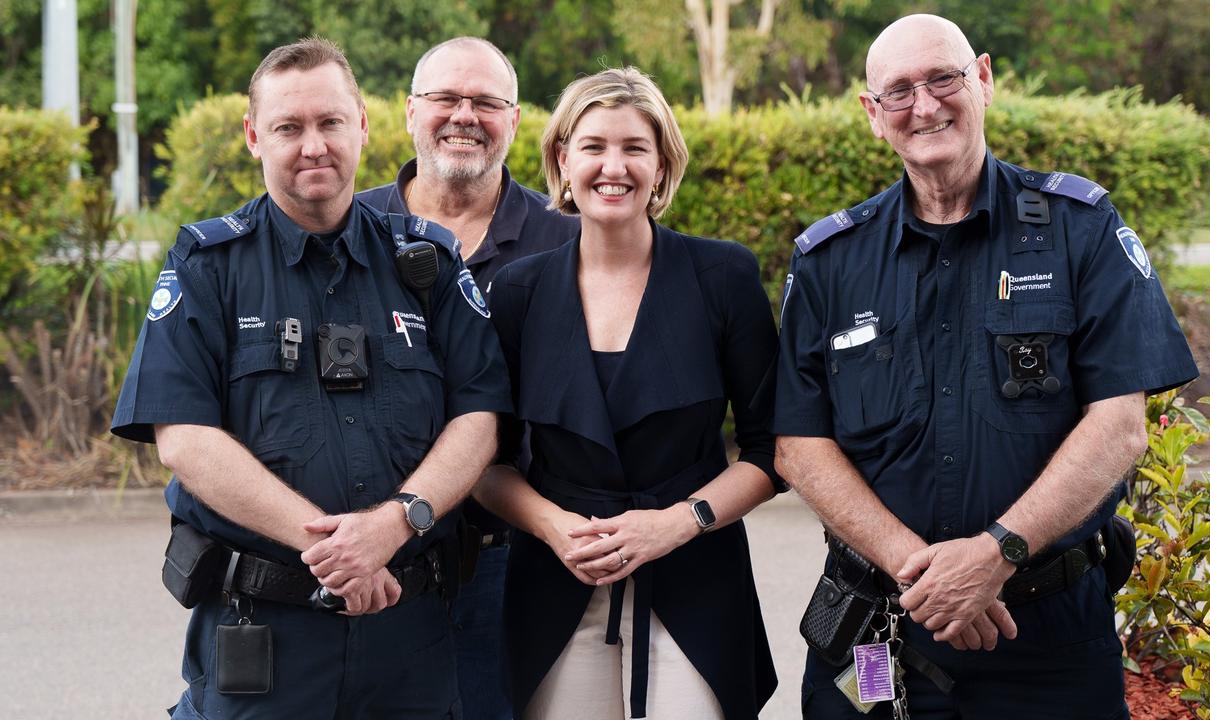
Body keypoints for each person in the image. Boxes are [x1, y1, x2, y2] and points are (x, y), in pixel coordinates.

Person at [774, 14, 1198, 719]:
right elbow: (798, 445)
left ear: (985, 80)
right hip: (880, 631)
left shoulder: (1079, 228)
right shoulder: (830, 262)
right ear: (872, 115)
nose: (927, 105)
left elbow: (1119, 426)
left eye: (945, 77)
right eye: (900, 91)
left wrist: (994, 555)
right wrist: (930, 578)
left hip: (1047, 644)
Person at [111, 37, 511, 718]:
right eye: (288, 128)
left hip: (409, 640)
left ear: (361, 125)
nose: (313, 146)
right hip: (265, 641)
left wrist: (391, 526)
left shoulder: (428, 264)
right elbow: (185, 439)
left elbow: (480, 420)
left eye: (329, 123)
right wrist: (335, 550)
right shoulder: (209, 266)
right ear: (252, 136)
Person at [475, 67, 782, 720]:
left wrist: (677, 523)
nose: (613, 166)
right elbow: (485, 463)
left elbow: (769, 452)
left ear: (663, 163)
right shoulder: (518, 292)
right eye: (593, 146)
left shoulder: (724, 276)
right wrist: (556, 528)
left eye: (634, 147)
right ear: (563, 159)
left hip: (695, 577)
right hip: (559, 582)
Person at [356, 36, 578, 720]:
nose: (464, 115)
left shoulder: (567, 238)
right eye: (446, 99)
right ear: (409, 112)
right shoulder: (348, 227)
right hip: (376, 559)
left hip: (516, 563)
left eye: (486, 101)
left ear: (514, 121)